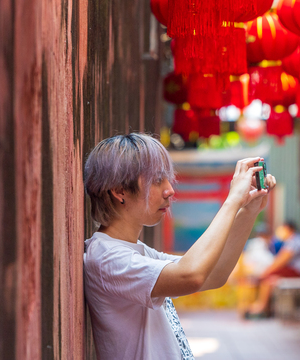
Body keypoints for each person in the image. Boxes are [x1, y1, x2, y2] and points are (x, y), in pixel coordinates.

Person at [82, 133, 275, 360]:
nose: (170, 190)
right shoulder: (106, 258)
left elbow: (213, 275)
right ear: (119, 191)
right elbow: (190, 275)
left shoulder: (135, 251)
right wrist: (232, 200)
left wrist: (248, 210)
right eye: (156, 181)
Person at [245, 221, 300, 318]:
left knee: (268, 277)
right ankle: (264, 306)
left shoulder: (296, 241)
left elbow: (281, 260)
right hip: (295, 270)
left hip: (298, 272)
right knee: (269, 277)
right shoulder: (290, 241)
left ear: (288, 229)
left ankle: (262, 306)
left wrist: (266, 272)